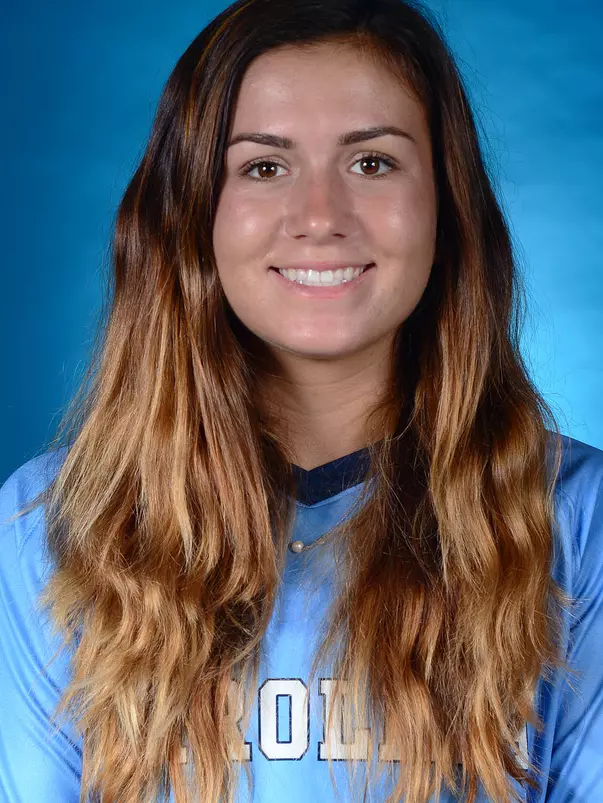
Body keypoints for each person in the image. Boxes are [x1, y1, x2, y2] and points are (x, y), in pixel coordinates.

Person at [1, 0, 602, 801]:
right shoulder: (52, 523)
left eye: (371, 163)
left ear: (446, 204)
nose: (319, 217)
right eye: (263, 167)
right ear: (192, 214)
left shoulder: (571, 515)